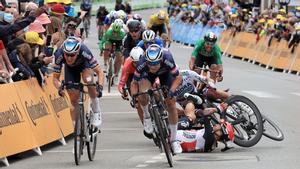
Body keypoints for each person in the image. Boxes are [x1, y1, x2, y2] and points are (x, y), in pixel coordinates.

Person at [130, 44, 183, 154]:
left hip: (165, 74)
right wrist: (135, 97)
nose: (153, 66)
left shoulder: (167, 57)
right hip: (147, 75)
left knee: (171, 103)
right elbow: (134, 83)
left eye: (155, 63)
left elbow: (178, 77)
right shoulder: (142, 63)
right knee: (142, 92)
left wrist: (172, 91)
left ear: (160, 59)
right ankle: (147, 116)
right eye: (150, 63)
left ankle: (173, 140)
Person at [52, 37, 105, 128]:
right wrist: (60, 87)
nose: (69, 58)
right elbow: (55, 79)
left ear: (77, 52)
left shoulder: (84, 51)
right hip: (70, 70)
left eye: (72, 55)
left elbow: (99, 72)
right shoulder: (59, 54)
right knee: (73, 99)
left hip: (84, 65)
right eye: (67, 54)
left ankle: (96, 110)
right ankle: (76, 127)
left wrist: (100, 87)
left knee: (88, 80)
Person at [118, 47, 144, 123]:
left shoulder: (146, 61)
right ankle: (145, 123)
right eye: (135, 62)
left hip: (143, 73)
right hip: (131, 75)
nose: (137, 64)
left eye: (139, 62)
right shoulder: (127, 65)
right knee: (136, 100)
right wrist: (122, 91)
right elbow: (121, 84)